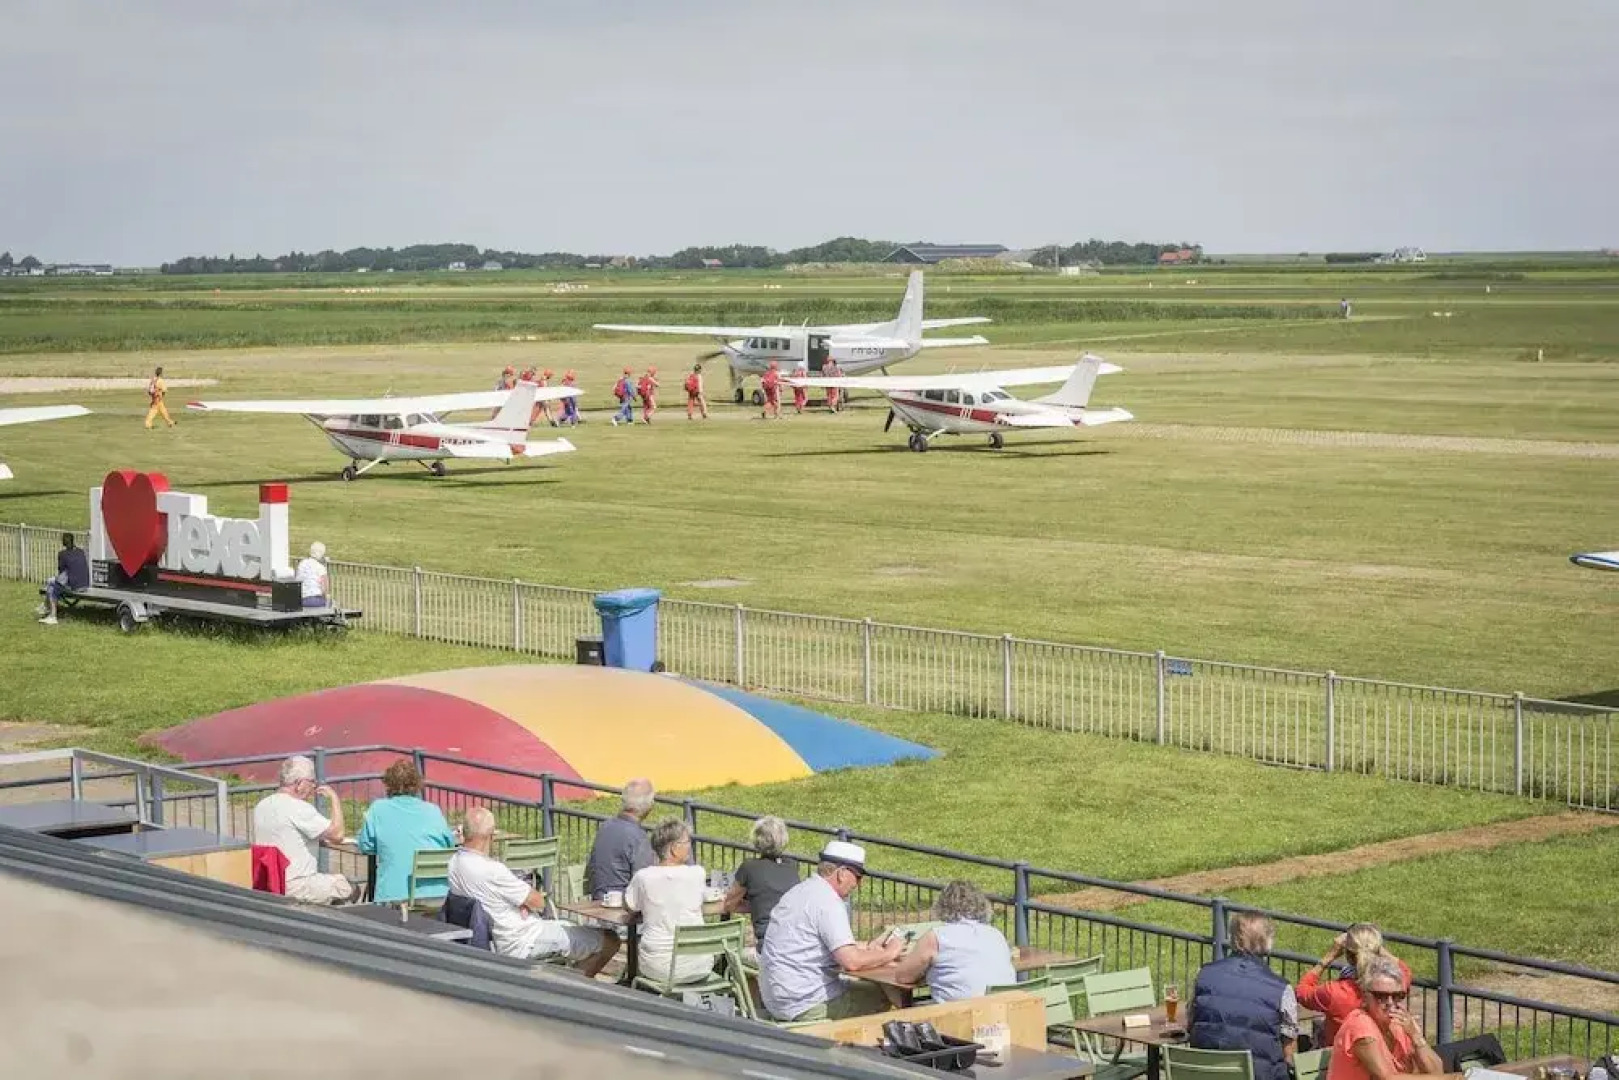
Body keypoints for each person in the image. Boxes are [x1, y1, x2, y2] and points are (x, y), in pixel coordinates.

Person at [449, 807, 618, 976]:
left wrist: (520, 901)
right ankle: (573, 987)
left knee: (574, 929)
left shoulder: (454, 863)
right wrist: (524, 902)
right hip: (523, 940)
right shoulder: (493, 871)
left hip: (494, 937)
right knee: (609, 940)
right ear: (490, 836)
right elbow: (539, 902)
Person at [757, 840, 904, 1022]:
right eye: (857, 877)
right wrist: (891, 952)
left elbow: (822, 944)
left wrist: (867, 947)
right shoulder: (828, 902)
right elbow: (851, 962)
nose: (859, 884)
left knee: (867, 987)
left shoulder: (799, 892)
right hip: (806, 1004)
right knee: (881, 995)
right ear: (842, 873)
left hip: (778, 999)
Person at [1190, 912, 1298, 1080]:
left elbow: (1191, 1023)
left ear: (1233, 938)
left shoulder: (1203, 975)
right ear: (1267, 942)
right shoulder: (1281, 988)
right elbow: (1289, 1053)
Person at [887, 879, 1015, 1003]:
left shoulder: (937, 937)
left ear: (942, 906)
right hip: (1005, 1010)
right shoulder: (995, 934)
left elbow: (903, 976)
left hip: (960, 1015)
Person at [1326, 956, 1453, 1080]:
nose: (1390, 1003)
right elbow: (1386, 1077)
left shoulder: (1398, 1023)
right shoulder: (1360, 1025)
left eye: (1397, 996)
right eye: (1381, 996)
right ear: (1365, 997)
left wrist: (1416, 1037)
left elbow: (1437, 1071)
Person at [251, 755, 354, 904]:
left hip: (269, 882)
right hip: (298, 884)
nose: (314, 787)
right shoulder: (299, 808)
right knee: (347, 887)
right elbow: (337, 834)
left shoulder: (262, 806)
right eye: (312, 782)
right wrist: (334, 799)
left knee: (331, 886)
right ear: (299, 783)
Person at [355, 758, 455, 904]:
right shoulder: (433, 810)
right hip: (436, 896)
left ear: (389, 784)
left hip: (394, 897)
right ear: (417, 784)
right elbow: (449, 845)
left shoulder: (378, 809)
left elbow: (365, 846)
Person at [625, 820, 713, 985]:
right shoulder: (697, 874)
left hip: (658, 966)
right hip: (700, 965)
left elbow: (630, 905)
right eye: (687, 842)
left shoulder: (643, 877)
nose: (689, 846)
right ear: (673, 848)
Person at [1298, 923, 1413, 1045]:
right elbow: (1405, 971)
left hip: (1341, 1059)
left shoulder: (1334, 992)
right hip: (1383, 1056)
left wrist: (1329, 956)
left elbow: (1301, 991)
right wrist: (1375, 947)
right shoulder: (1392, 986)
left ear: (1349, 956)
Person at [722, 816, 800, 962]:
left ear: (757, 839)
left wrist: (756, 906)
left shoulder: (749, 867)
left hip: (768, 949)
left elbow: (729, 905)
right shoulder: (792, 866)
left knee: (733, 957)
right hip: (795, 944)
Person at [585, 778, 656, 900]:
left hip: (599, 900)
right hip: (622, 906)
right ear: (648, 807)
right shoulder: (637, 837)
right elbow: (645, 881)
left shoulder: (605, 827)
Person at [37, 532, 89, 625]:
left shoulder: (62, 554)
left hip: (74, 586)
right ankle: (46, 607)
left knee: (52, 586)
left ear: (63, 542)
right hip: (85, 584)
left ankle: (52, 615)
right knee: (52, 583)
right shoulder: (81, 551)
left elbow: (61, 571)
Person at [295, 541, 329, 609]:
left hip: (299, 599)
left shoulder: (302, 563)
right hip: (314, 599)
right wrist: (327, 597)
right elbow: (324, 588)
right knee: (331, 602)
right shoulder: (320, 567)